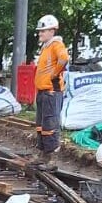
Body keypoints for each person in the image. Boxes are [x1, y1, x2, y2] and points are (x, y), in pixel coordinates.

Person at [33, 14, 69, 158]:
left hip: (51, 91)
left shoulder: (56, 45)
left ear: (52, 31)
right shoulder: (46, 47)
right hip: (43, 92)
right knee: (41, 125)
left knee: (50, 124)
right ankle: (43, 153)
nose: (40, 33)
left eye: (43, 31)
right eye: (40, 31)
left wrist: (54, 74)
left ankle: (51, 157)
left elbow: (64, 58)